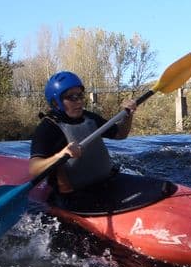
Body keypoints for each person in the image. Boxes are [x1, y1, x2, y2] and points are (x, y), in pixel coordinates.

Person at [30, 71, 137, 203]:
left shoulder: (90, 118)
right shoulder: (47, 128)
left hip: (107, 183)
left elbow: (120, 134)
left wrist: (128, 115)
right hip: (73, 197)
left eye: (80, 95)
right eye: (72, 97)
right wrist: (60, 155)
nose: (79, 101)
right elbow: (34, 169)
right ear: (56, 103)